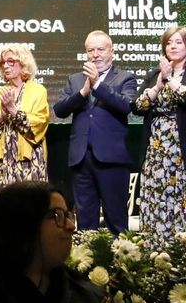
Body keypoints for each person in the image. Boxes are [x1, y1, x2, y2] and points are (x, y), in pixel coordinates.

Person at [134, 24, 186, 238]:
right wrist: (158, 84)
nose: (172, 46)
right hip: (158, 152)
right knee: (160, 200)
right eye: (168, 43)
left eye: (178, 42)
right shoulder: (154, 74)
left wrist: (171, 80)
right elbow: (137, 106)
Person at [53, 30, 136, 233]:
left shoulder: (125, 78)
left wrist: (97, 84)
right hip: (81, 158)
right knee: (85, 221)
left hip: (112, 158)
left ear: (112, 52)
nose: (95, 54)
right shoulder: (75, 80)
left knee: (116, 219)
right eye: (91, 50)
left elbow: (127, 106)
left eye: (101, 49)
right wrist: (83, 92)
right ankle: (88, 262)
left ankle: (119, 262)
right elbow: (60, 110)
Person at [0, 44, 50, 193]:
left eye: (10, 61)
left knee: (33, 208)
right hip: (4, 164)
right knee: (6, 211)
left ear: (23, 62)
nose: (5, 66)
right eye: (2, 62)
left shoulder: (38, 91)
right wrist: (1, 117)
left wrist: (13, 110)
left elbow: (39, 125)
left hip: (30, 163)